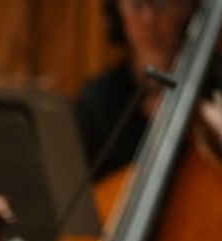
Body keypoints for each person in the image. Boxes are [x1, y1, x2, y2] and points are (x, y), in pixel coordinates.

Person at [75, 0, 201, 180]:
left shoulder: (214, 89)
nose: (148, 19)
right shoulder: (96, 100)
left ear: (187, 9)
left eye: (161, 5)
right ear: (118, 11)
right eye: (136, 4)